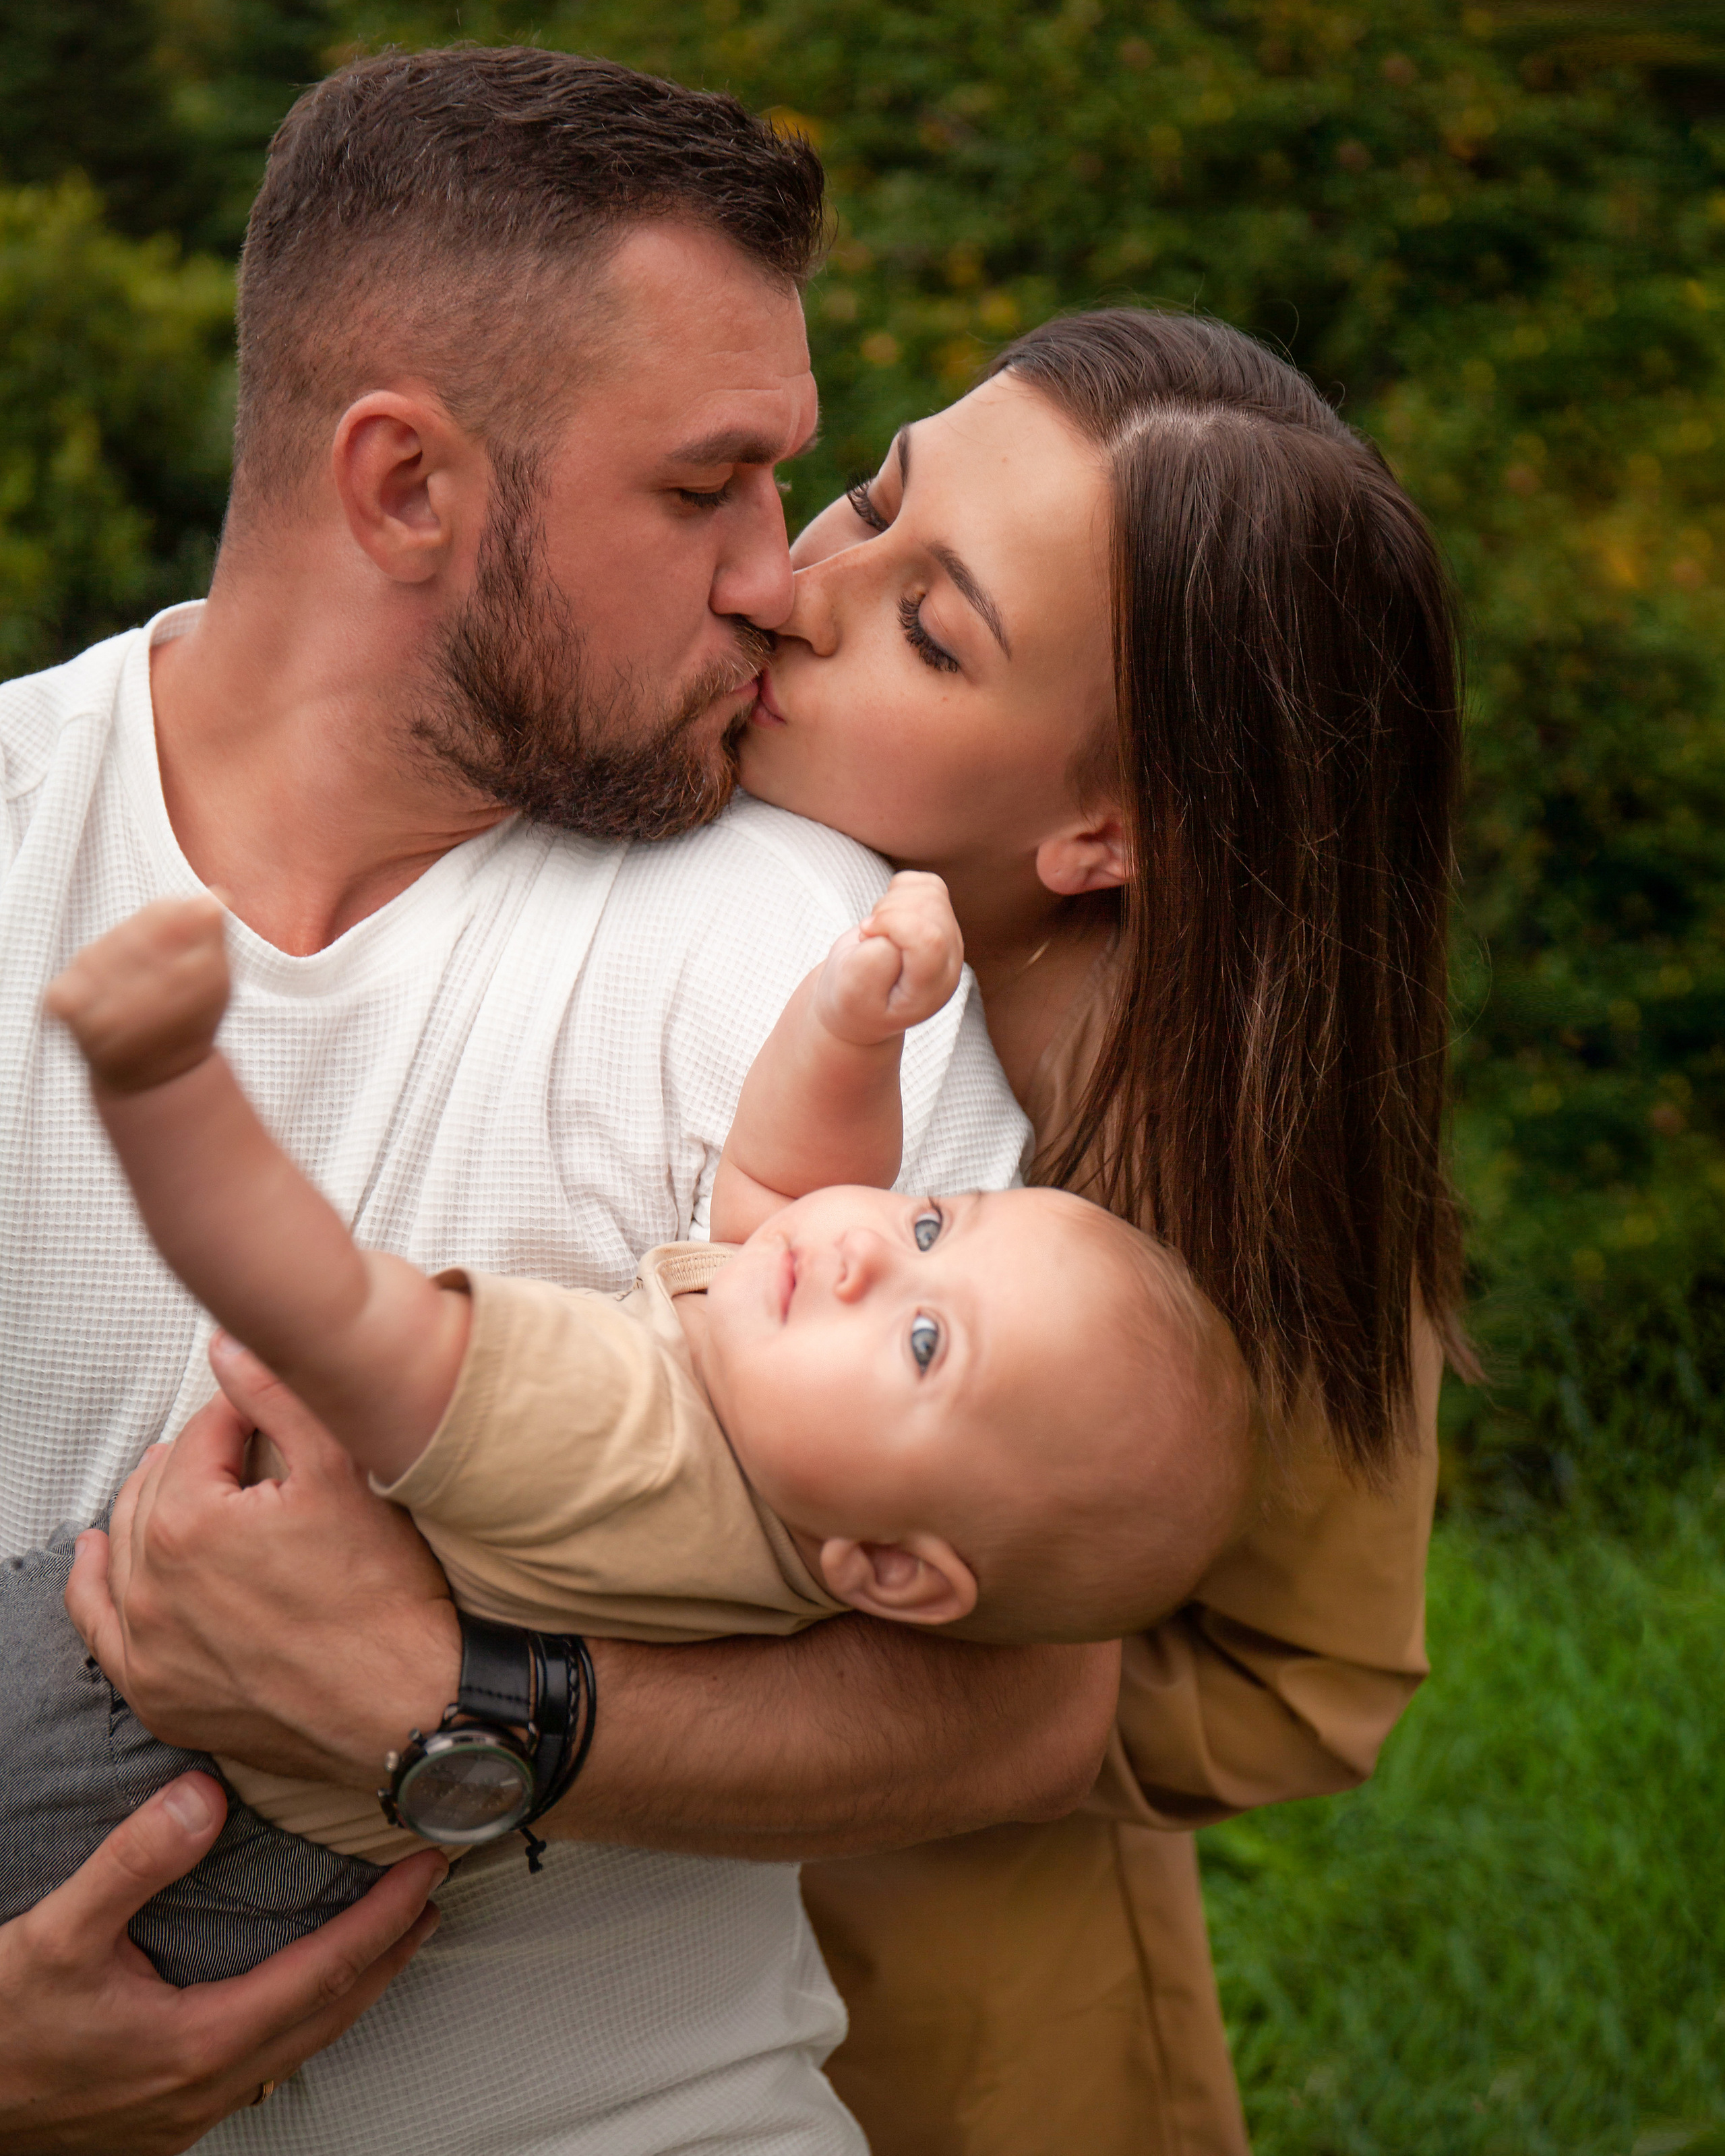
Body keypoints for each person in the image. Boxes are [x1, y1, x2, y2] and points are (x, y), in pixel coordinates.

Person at [0, 49, 1122, 2155]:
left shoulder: (814, 949)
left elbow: (1026, 1700)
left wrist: (476, 1713)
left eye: (787, 482)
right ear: (404, 485)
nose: (781, 581)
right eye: (705, 489)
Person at [15, 875, 1248, 1978]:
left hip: (141, 1775)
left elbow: (312, 1301)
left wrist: (163, 1080)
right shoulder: (799, 1448)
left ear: (890, 1570)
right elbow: (789, 1196)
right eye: (937, 1222)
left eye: (928, 1343)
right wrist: (859, 1024)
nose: (871, 1255)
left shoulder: (629, 1438)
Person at [738, 309, 1472, 2155]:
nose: (803, 588)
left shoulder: (1196, 1138)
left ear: (1107, 832)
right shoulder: (675, 812)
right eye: (866, 501)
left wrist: (873, 1638)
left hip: (951, 2042)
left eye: (929, 628)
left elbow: (1309, 1684)